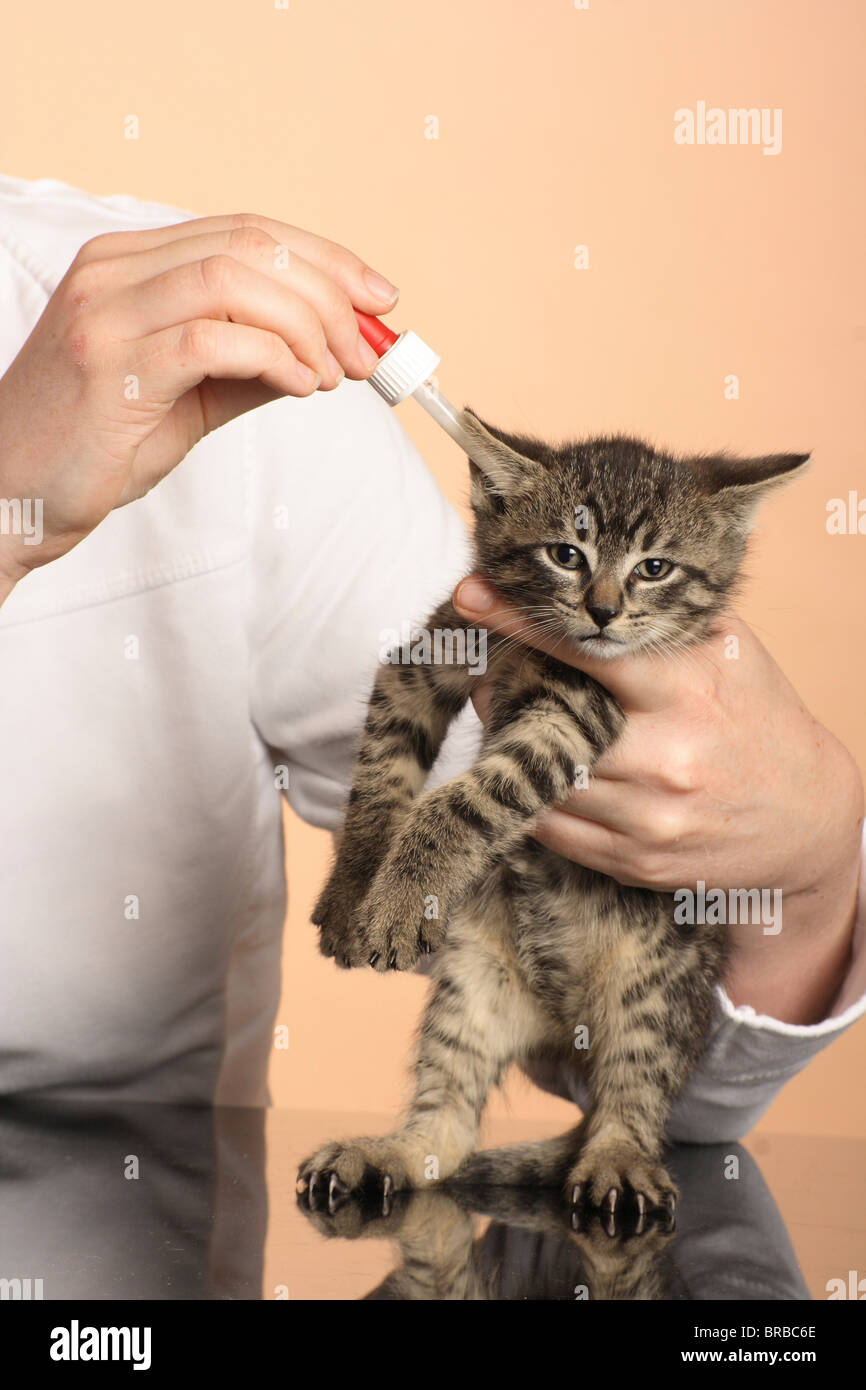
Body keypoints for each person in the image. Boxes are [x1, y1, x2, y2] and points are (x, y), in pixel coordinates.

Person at [0, 175, 863, 1139]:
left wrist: (814, 862)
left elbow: (674, 1099)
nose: (607, 603)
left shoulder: (200, 340)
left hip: (135, 1218)